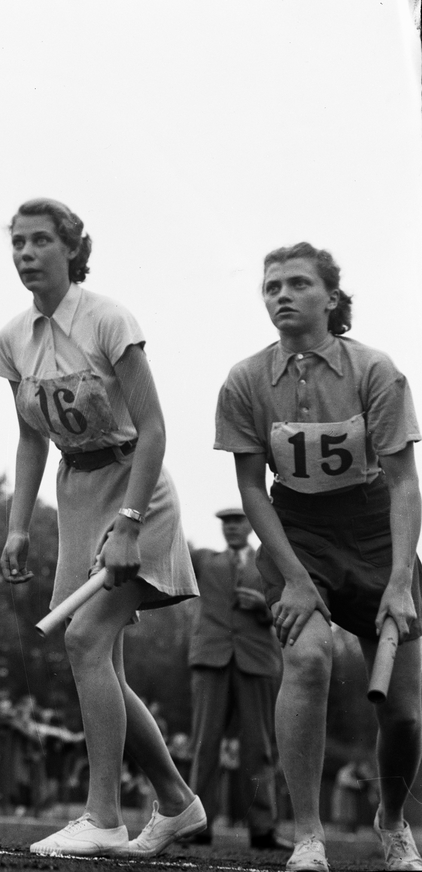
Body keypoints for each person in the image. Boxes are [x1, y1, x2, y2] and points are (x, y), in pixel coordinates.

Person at [0, 198, 202, 858]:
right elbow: (31, 439)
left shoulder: (109, 319)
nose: (27, 253)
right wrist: (18, 526)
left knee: (84, 641)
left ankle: (103, 815)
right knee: (98, 659)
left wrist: (130, 524)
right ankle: (177, 802)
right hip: (77, 495)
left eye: (40, 241)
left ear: (72, 248)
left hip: (136, 488)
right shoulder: (12, 339)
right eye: (18, 242)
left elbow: (155, 429)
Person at [216, 242, 422, 872]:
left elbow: (403, 482)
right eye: (271, 285)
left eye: (298, 283)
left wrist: (399, 580)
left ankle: (393, 821)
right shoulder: (245, 380)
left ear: (331, 298)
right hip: (297, 532)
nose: (281, 294)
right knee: (307, 660)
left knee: (407, 716)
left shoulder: (376, 370)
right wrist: (297, 579)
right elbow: (253, 489)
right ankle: (308, 834)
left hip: (376, 533)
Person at [188, 507, 290, 850]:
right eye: (226, 522)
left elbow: (293, 605)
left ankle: (263, 829)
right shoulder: (205, 560)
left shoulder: (272, 563)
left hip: (257, 658)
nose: (231, 527)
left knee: (259, 746)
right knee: (204, 744)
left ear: (251, 524)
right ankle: (197, 824)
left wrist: (264, 607)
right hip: (211, 657)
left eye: (238, 521)